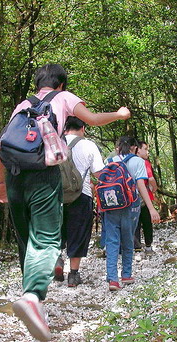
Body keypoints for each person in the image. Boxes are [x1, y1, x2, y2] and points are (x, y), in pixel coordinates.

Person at [0, 63, 130, 342]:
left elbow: (0, 147)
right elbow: (90, 119)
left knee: (27, 242)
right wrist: (119, 114)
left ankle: (35, 305)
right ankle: (32, 298)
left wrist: (1, 183)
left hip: (15, 177)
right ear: (61, 85)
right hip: (43, 175)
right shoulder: (63, 98)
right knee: (45, 239)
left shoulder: (23, 105)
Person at [104, 137, 160, 292]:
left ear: (118, 147)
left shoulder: (109, 160)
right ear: (134, 148)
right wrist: (151, 208)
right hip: (131, 206)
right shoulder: (138, 162)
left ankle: (112, 279)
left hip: (111, 206)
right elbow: (141, 185)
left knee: (112, 241)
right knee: (128, 238)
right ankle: (127, 274)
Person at [58, 116, 105, 287]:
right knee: (78, 233)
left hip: (56, 196)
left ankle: (57, 259)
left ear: (64, 127)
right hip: (82, 195)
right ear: (83, 128)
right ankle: (73, 275)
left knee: (56, 233)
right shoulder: (88, 145)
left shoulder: (55, 142)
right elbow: (99, 173)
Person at [134, 141, 158, 253]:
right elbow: (151, 179)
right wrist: (154, 188)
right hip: (145, 197)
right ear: (138, 149)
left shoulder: (128, 161)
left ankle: (136, 246)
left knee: (135, 223)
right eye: (145, 149)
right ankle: (148, 246)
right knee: (147, 221)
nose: (147, 152)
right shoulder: (144, 162)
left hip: (131, 197)